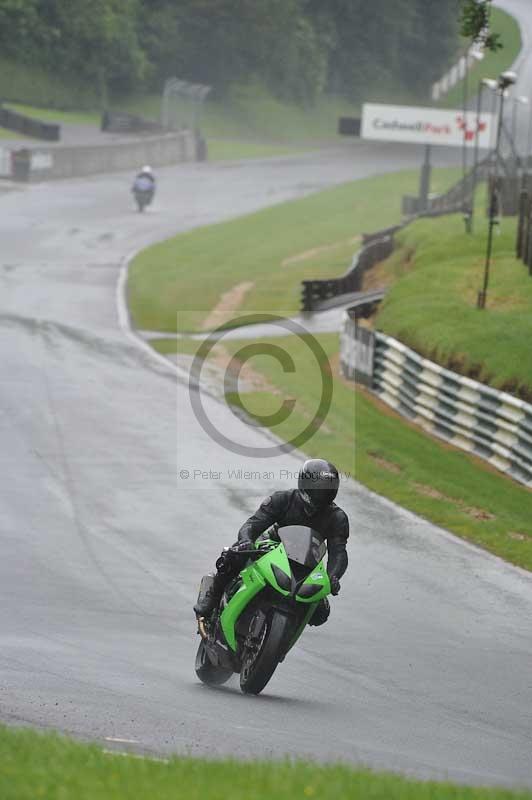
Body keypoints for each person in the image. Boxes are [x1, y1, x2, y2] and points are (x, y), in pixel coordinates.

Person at [194, 459, 349, 627]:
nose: (320, 496)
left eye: (326, 492)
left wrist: (333, 576)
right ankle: (213, 597)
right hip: (272, 547)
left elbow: (338, 553)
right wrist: (246, 541)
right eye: (317, 491)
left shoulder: (337, 518)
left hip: (307, 564)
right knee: (235, 555)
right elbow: (253, 524)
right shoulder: (283, 499)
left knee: (321, 613)